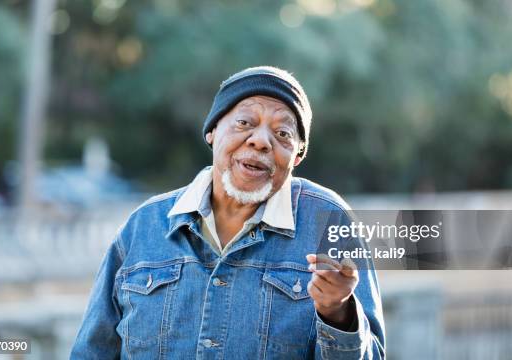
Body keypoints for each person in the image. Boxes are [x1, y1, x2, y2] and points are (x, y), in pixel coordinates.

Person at [70, 66, 385, 359]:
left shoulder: (329, 221)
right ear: (212, 131)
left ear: (297, 156)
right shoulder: (143, 226)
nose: (261, 141)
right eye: (245, 123)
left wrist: (339, 312)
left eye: (283, 134)